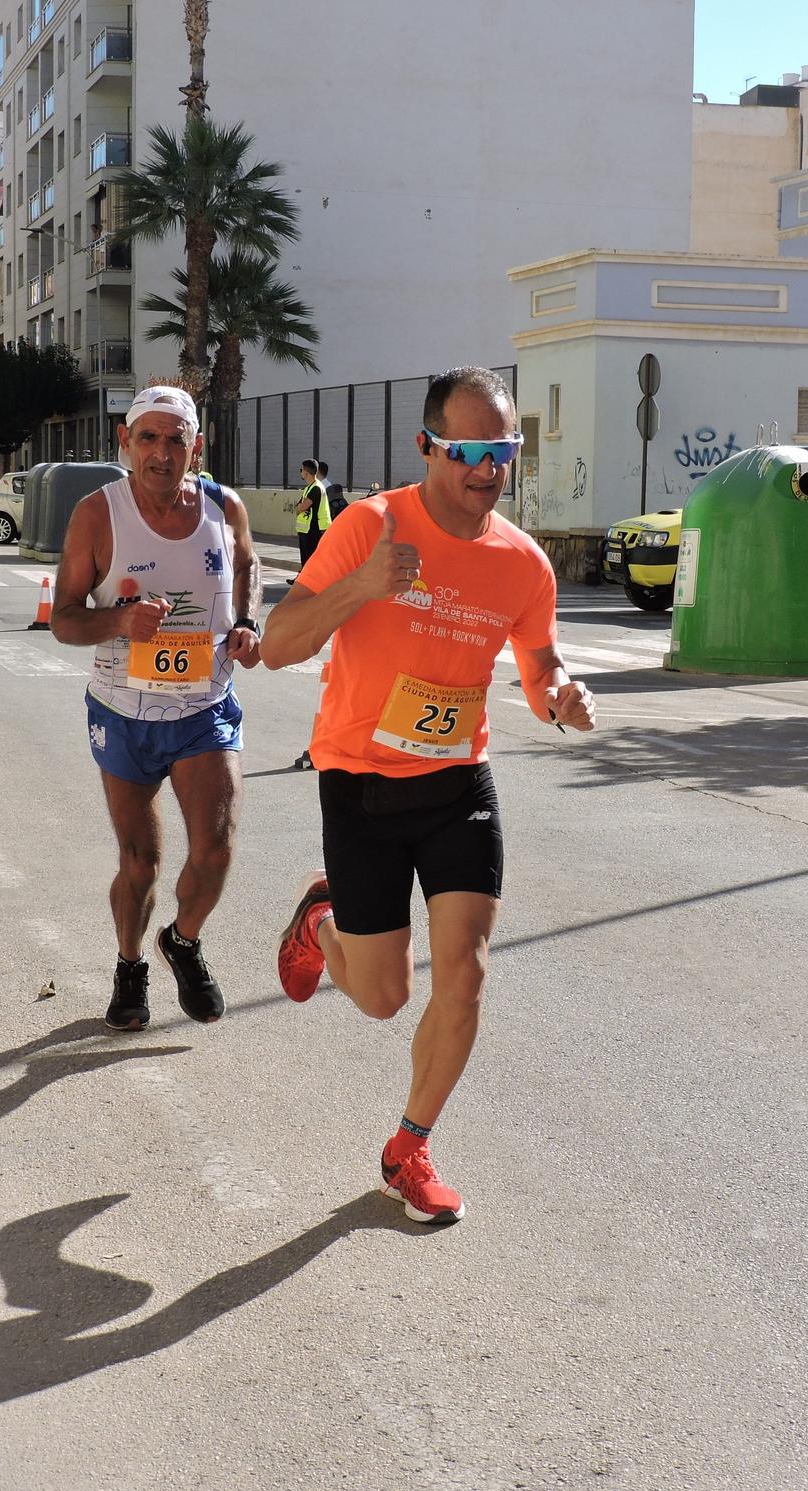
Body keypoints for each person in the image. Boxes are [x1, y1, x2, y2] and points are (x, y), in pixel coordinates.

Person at [262, 366, 596, 1226]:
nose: (490, 468)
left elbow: (537, 661)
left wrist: (559, 694)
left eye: (506, 450)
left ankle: (409, 1146)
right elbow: (277, 644)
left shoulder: (523, 565)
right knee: (382, 998)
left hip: (457, 783)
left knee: (465, 975)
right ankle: (319, 920)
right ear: (427, 447)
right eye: (471, 450)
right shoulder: (370, 527)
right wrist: (362, 587)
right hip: (360, 780)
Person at [51, 386, 264, 1031]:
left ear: (195, 446)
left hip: (203, 706)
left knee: (216, 847)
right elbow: (63, 620)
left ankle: (184, 940)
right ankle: (130, 963)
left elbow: (248, 564)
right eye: (148, 438)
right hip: (123, 710)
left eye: (176, 440)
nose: (162, 453)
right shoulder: (98, 514)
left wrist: (248, 622)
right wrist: (119, 620)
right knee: (139, 860)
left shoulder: (225, 507)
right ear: (125, 440)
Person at [294, 458, 331, 576]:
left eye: (301, 469)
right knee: (307, 558)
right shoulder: (310, 487)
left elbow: (301, 507)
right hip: (308, 529)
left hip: (314, 528)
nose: (300, 472)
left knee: (310, 558)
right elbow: (298, 506)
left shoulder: (315, 488)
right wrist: (300, 506)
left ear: (306, 472)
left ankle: (307, 581)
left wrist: (300, 506)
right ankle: (302, 579)